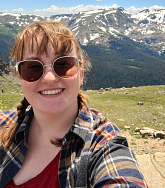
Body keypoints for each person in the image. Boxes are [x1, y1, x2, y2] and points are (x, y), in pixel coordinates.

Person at [0, 21, 148, 188]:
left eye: (63, 64)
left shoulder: (103, 143)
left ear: (81, 74)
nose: (49, 79)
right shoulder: (3, 124)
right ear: (20, 77)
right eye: (33, 67)